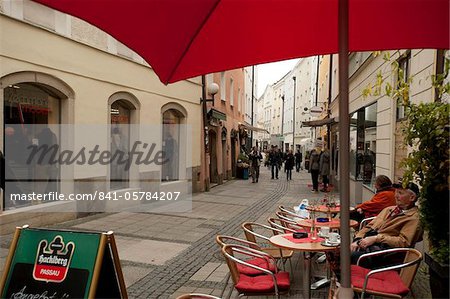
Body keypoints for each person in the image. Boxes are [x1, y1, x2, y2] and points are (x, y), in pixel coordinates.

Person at [350, 182, 423, 268]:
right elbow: (369, 227)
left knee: (345, 258)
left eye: (400, 193)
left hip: (384, 255)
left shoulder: (413, 218)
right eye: (396, 192)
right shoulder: (389, 209)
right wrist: (357, 240)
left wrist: (376, 238)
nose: (396, 196)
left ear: (412, 197)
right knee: (338, 252)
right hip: (368, 246)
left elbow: (403, 242)